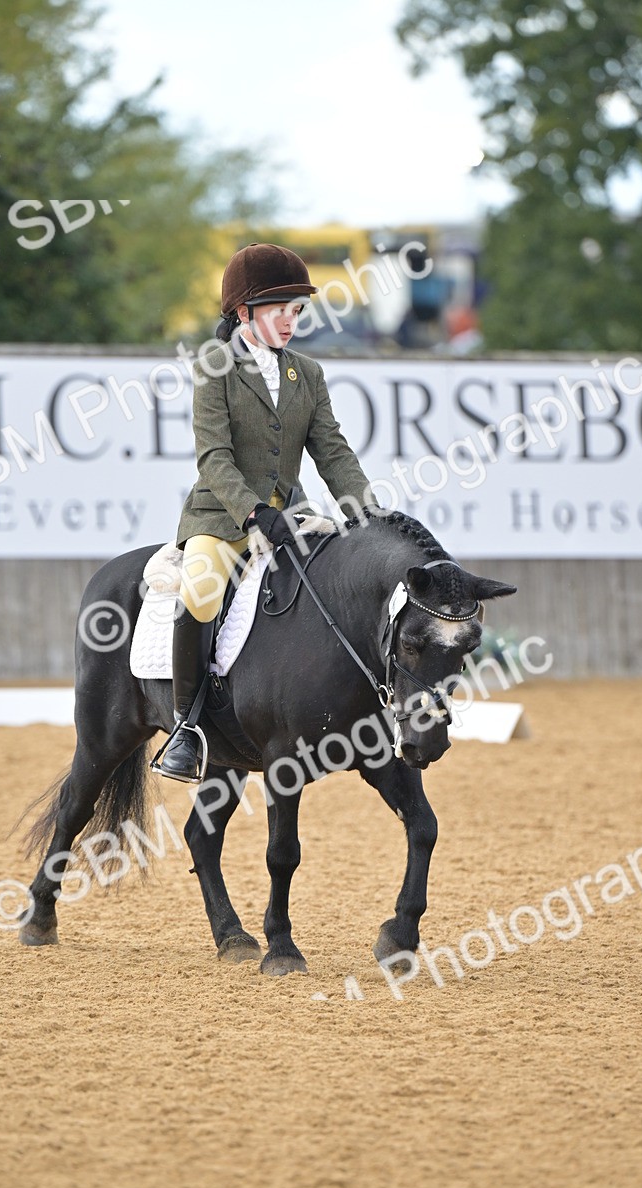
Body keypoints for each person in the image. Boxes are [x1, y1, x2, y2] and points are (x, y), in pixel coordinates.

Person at [155, 242, 378, 783]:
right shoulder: (216, 367)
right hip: (223, 517)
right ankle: (188, 727)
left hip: (292, 517)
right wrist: (254, 513)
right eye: (279, 309)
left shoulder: (308, 373)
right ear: (243, 311)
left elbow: (332, 450)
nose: (290, 321)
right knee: (203, 589)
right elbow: (214, 456)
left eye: (297, 310)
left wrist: (366, 513)